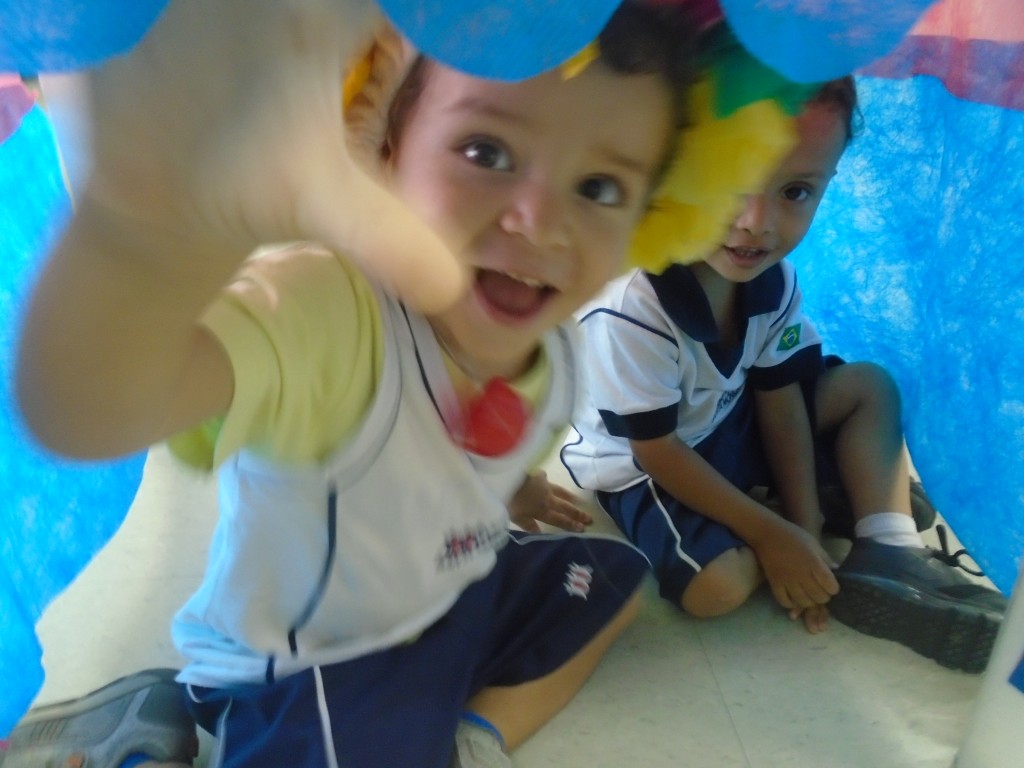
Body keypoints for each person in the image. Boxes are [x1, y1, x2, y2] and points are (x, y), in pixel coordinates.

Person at [6, 1, 697, 766]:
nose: (538, 221)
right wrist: (140, 231)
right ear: (389, 153)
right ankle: (163, 724)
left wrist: (515, 492)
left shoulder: (558, 347)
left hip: (450, 597)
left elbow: (469, 459)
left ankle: (474, 738)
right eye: (486, 151)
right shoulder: (336, 313)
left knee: (614, 579)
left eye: (600, 187)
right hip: (312, 665)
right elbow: (90, 412)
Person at [561, 77, 1007, 674]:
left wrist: (805, 526)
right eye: (732, 184)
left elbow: (780, 400)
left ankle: (889, 548)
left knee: (869, 387)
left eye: (796, 191)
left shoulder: (774, 280)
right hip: (645, 465)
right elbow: (657, 452)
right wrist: (775, 538)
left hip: (725, 424)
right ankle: (806, 501)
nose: (757, 223)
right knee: (717, 590)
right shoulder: (630, 308)